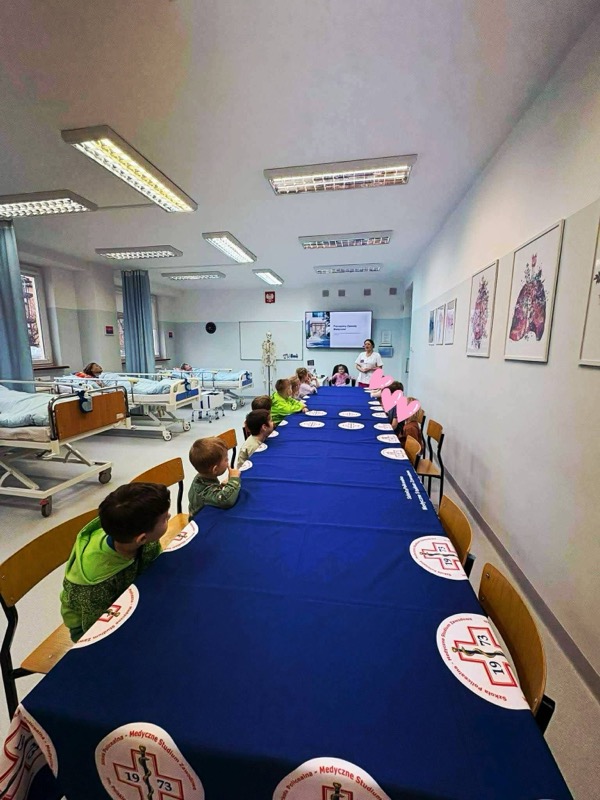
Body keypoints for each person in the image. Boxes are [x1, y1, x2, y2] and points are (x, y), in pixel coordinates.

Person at [60, 483, 171, 642]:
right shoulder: (95, 582)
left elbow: (154, 568)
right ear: (141, 539)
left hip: (134, 594)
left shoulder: (138, 537)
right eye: (165, 518)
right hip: (91, 625)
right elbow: (96, 629)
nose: (170, 516)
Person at [188, 436, 241, 517]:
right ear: (215, 469)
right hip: (201, 519)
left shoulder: (202, 476)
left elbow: (212, 491)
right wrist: (234, 480)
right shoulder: (204, 491)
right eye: (226, 459)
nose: (228, 462)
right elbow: (226, 500)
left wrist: (220, 486)